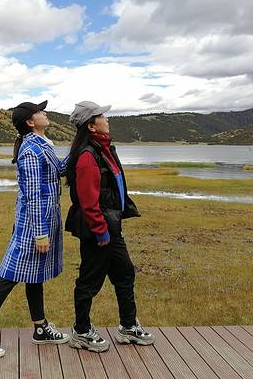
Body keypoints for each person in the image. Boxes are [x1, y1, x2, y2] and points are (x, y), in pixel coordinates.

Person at [0, 100, 69, 358]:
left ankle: (40, 327)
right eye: (40, 111)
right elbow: (34, 195)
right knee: (9, 274)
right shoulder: (30, 151)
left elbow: (59, 169)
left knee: (34, 274)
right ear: (30, 122)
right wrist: (40, 233)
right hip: (33, 223)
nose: (45, 113)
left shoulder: (41, 145)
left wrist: (81, 144)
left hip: (42, 220)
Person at [65, 101, 155, 352]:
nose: (107, 119)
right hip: (99, 230)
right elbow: (88, 200)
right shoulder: (88, 156)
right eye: (102, 116)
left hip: (111, 227)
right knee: (89, 281)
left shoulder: (104, 149)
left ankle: (128, 327)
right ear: (91, 126)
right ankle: (81, 331)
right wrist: (101, 231)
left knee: (125, 274)